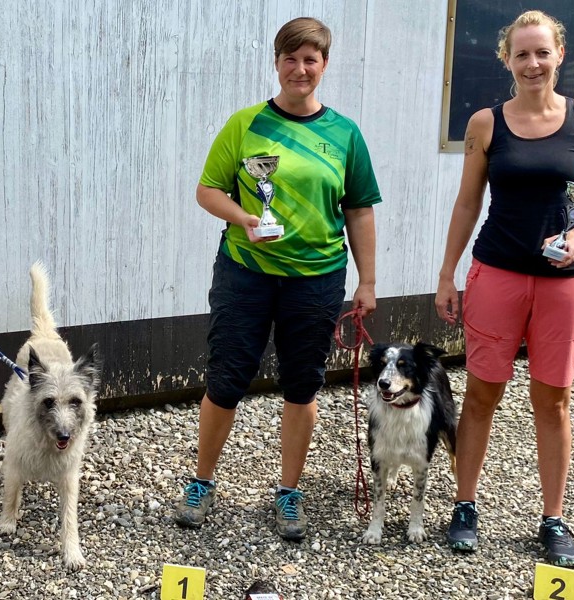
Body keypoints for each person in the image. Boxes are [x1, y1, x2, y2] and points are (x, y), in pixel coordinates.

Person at [174, 17, 381, 541]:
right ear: (276, 62)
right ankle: (202, 481)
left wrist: (367, 282)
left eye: (311, 59)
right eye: (291, 58)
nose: (300, 69)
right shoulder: (245, 124)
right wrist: (244, 218)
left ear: (325, 65)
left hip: (317, 279)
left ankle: (289, 492)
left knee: (302, 384)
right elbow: (208, 190)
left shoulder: (345, 134)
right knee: (226, 379)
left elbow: (359, 210)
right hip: (245, 273)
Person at [434, 10, 574, 568]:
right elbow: (468, 202)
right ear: (506, 59)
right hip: (497, 275)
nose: (532, 63)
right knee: (481, 394)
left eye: (542, 52)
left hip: (564, 284)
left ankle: (553, 519)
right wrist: (446, 274)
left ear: (560, 54)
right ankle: (465, 505)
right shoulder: (485, 123)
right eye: (521, 54)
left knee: (553, 400)